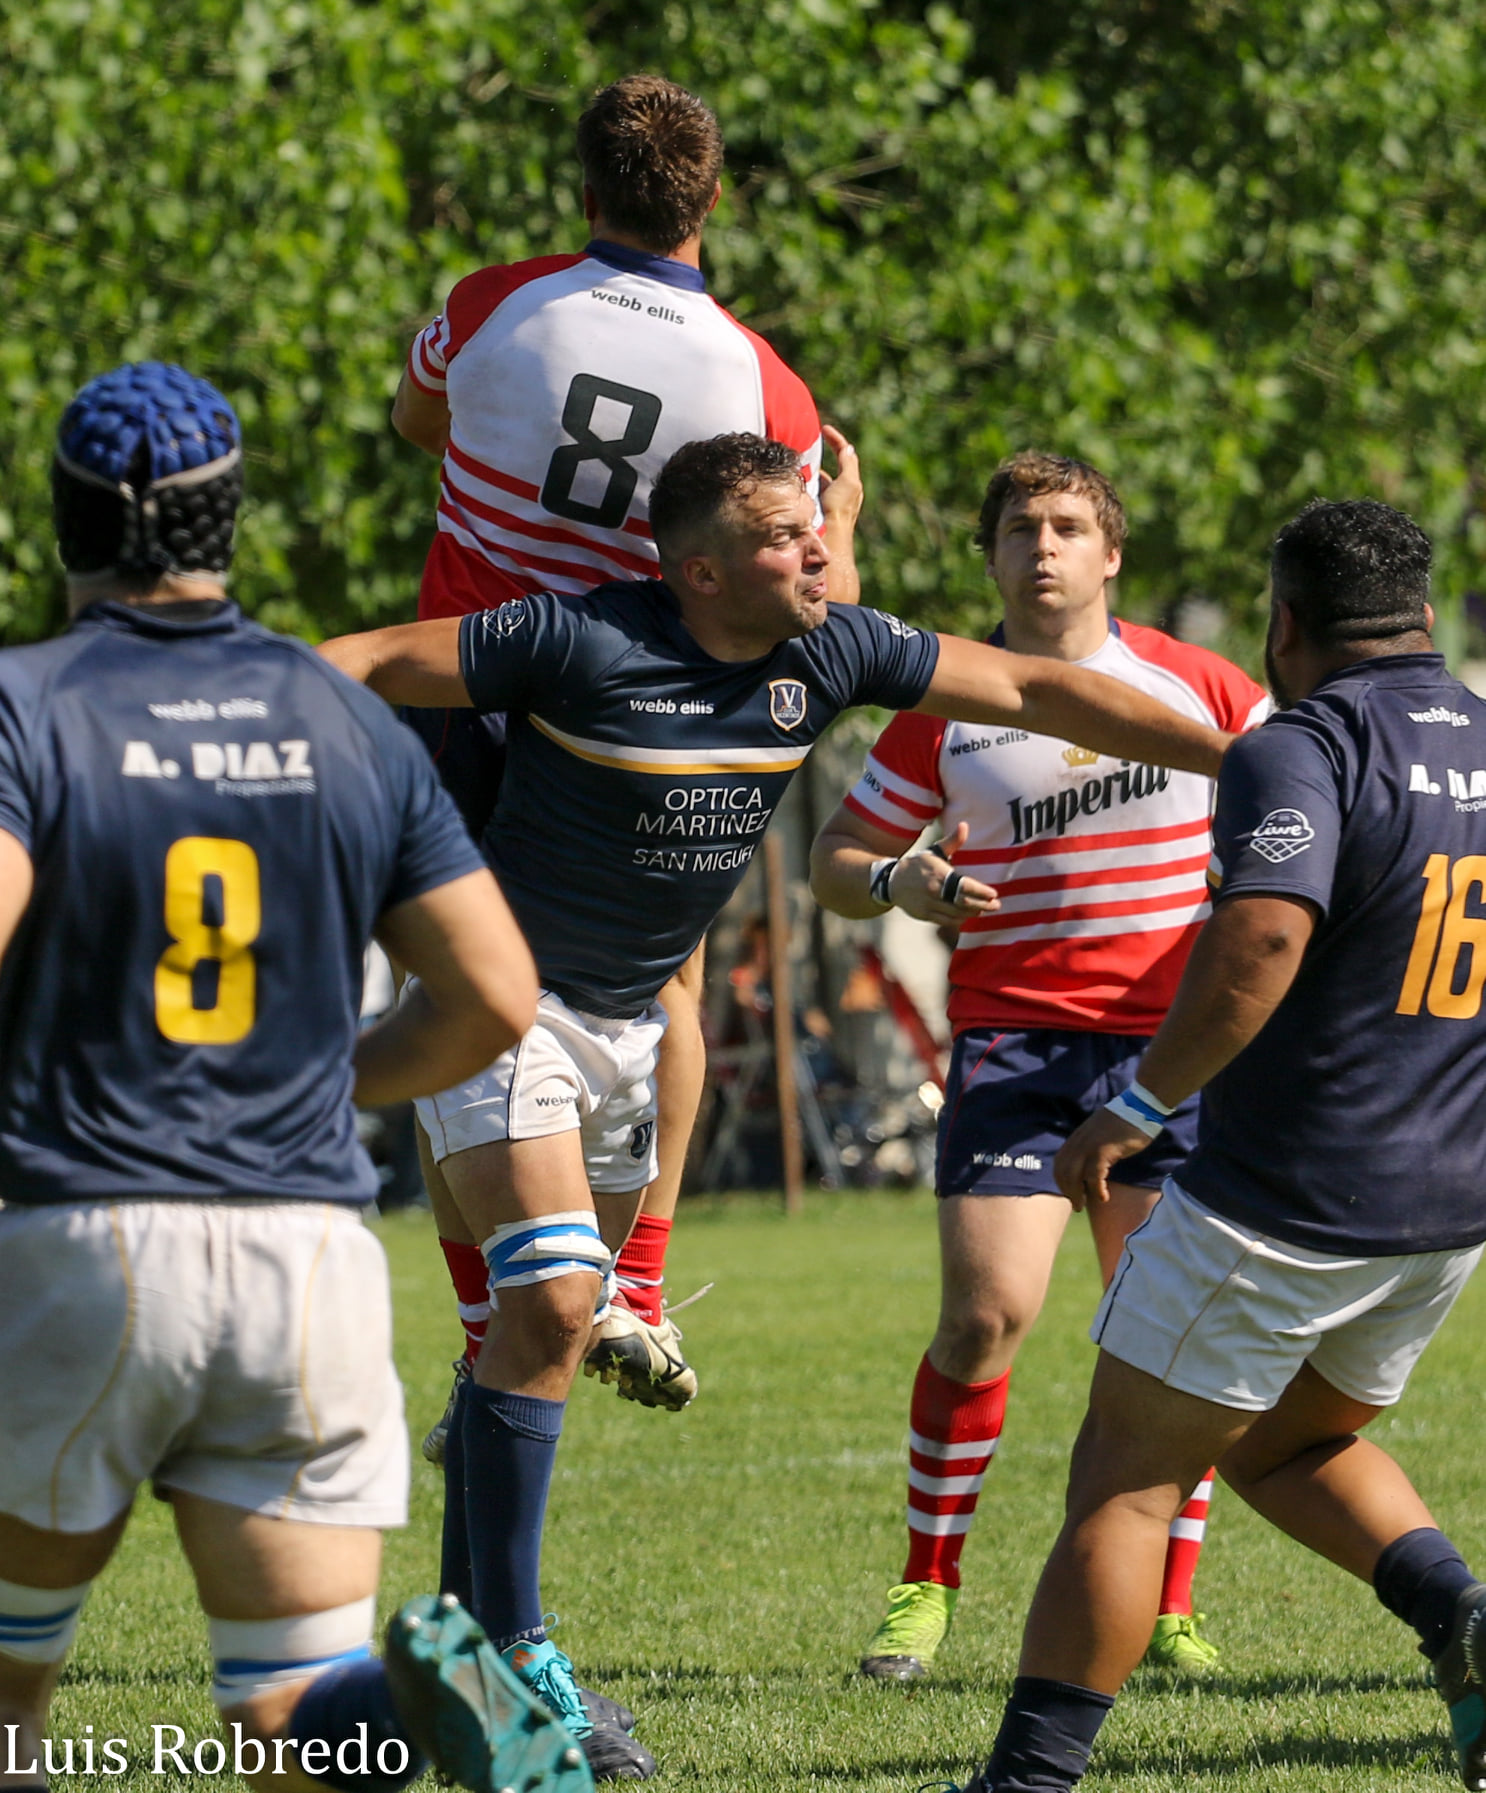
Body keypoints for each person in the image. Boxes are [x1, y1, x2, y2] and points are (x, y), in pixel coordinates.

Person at [317, 430, 1234, 1780]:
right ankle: (518, 1666)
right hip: (499, 1003)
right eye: (780, 536)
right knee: (560, 1300)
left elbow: (1042, 690)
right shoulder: (573, 640)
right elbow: (367, 664)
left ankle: (457, 1654)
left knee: (533, 1331)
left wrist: (1251, 763)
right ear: (694, 571)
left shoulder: (835, 650)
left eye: (814, 526)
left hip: (634, 1024)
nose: (816, 548)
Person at [0, 362, 590, 1793]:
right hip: (309, 1257)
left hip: (82, 1234)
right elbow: (497, 995)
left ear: (66, 519)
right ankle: (399, 1702)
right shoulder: (338, 717)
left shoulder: (25, 702)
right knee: (289, 1719)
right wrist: (335, 1083)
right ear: (229, 521)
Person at [963, 498, 1486, 1793]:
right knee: (1282, 1443)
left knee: (1124, 1481)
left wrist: (1136, 1104)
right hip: (1444, 1205)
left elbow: (1259, 935)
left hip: (1288, 1193)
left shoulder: (1297, 740)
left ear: (1283, 623)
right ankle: (1458, 1615)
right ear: (1421, 614)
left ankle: (1025, 1778)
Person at [391, 73, 863, 1429]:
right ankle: (640, 1283)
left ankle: (486, 1325)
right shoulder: (766, 381)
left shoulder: (490, 303)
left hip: (469, 696)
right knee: (668, 989)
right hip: (639, 708)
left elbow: (421, 422)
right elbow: (792, 559)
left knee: (455, 1013)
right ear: (714, 199)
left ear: (582, 191)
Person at [809, 451, 1269, 1680]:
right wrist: (899, 879)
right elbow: (837, 859)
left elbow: (1300, 797)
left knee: (1173, 1342)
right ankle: (924, 1589)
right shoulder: (947, 700)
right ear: (994, 554)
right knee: (984, 1315)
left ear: (1110, 554)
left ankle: (1169, 1605)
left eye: (1070, 525)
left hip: (1169, 1052)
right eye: (1020, 526)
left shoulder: (1198, 682)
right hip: (1014, 1042)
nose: (1044, 545)